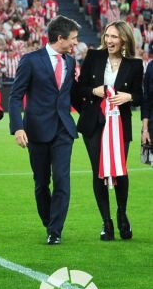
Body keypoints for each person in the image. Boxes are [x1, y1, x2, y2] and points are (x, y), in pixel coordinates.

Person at [8, 15, 79, 245]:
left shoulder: (71, 61)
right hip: (36, 131)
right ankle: (49, 221)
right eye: (73, 39)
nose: (75, 44)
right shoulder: (30, 60)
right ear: (60, 38)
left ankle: (55, 230)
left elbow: (71, 94)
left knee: (62, 179)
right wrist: (17, 127)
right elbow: (16, 96)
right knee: (41, 182)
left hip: (63, 130)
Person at [74, 21, 143, 240]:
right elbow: (79, 88)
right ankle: (106, 222)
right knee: (99, 171)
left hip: (120, 123)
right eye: (107, 35)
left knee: (120, 170)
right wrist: (94, 91)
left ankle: (122, 215)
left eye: (114, 37)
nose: (109, 40)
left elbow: (141, 96)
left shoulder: (135, 64)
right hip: (94, 123)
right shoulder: (94, 57)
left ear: (124, 39)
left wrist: (128, 97)